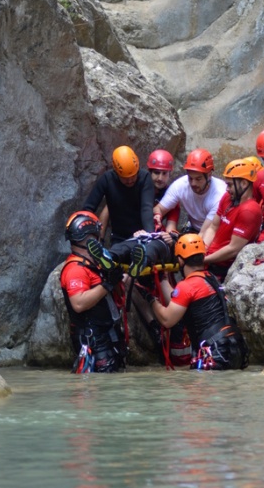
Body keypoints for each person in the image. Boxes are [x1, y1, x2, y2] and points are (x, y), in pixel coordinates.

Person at [140, 234, 249, 370]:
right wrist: (162, 279)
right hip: (234, 348)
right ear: (203, 257)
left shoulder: (187, 285)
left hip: (215, 352)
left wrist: (150, 299)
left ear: (180, 260)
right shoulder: (210, 278)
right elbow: (179, 301)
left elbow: (167, 319)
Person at [60, 211, 126, 373]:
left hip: (107, 333)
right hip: (93, 339)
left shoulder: (93, 265)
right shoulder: (76, 269)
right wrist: (107, 284)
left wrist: (116, 278)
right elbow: (79, 303)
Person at [203, 158, 263, 281]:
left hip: (224, 267)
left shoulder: (250, 210)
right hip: (210, 260)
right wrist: (202, 249)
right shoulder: (228, 197)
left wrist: (204, 259)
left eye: (230, 185)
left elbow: (233, 249)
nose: (227, 189)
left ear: (244, 183)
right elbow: (213, 227)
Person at [83, 145, 155, 245]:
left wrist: (150, 236)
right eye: (125, 177)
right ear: (116, 172)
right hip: (118, 238)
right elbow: (88, 208)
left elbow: (146, 208)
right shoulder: (107, 180)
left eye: (133, 176)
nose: (130, 180)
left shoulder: (145, 178)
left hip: (141, 236)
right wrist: (92, 237)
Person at [153, 148, 226, 240]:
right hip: (193, 229)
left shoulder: (219, 195)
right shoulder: (181, 185)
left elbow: (204, 233)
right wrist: (158, 217)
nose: (193, 183)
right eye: (190, 178)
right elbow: (159, 208)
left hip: (213, 233)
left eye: (198, 179)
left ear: (209, 175)